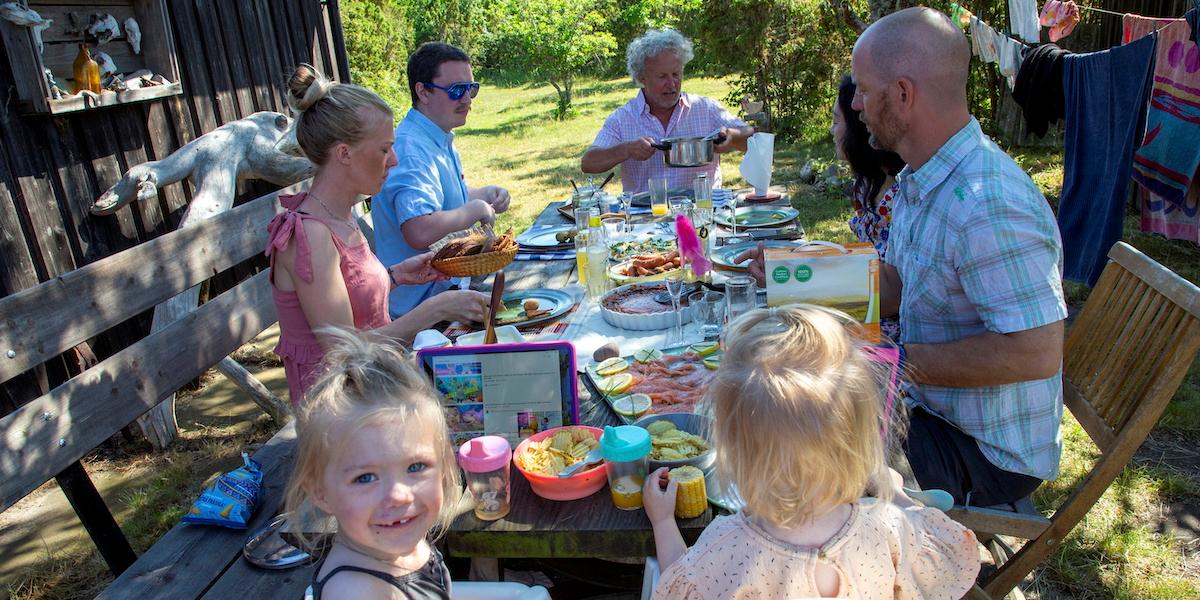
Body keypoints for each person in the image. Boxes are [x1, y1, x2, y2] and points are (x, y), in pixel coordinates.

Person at [740, 8, 1067, 506]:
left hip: (982, 450)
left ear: (903, 94)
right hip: (930, 408)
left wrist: (884, 364)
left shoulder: (990, 202)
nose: (856, 102)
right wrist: (793, 278)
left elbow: (1035, 352)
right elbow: (899, 283)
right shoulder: (925, 175)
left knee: (786, 450)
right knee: (769, 405)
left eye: (865, 90)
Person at [643, 305, 979, 599]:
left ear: (732, 452)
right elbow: (947, 552)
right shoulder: (887, 527)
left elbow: (676, 586)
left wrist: (662, 521)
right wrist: (895, 494)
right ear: (860, 446)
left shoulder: (726, 546)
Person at [266, 64, 487, 405]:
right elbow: (345, 354)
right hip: (339, 415)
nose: (395, 160)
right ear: (345, 154)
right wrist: (436, 308)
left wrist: (395, 276)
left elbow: (346, 294)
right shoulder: (309, 235)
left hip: (375, 386)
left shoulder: (336, 216)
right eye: (384, 149)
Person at [285, 329, 462, 599]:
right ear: (320, 492)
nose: (398, 496)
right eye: (365, 477)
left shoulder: (396, 540)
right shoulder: (356, 591)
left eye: (416, 467)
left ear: (445, 466)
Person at [375, 42, 511, 317]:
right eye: (456, 90)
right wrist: (473, 210)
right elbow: (418, 230)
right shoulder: (412, 148)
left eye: (471, 89)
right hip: (419, 310)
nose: (467, 99)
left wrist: (481, 195)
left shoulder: (434, 135)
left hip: (443, 290)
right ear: (422, 91)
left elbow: (437, 199)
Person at [579, 29, 755, 193]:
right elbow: (589, 163)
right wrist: (627, 150)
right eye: (662, 76)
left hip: (702, 211)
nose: (671, 84)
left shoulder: (704, 108)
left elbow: (753, 138)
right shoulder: (623, 118)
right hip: (646, 218)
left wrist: (732, 137)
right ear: (642, 78)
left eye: (676, 74)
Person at [832, 73, 906, 341]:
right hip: (867, 311)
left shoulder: (900, 194)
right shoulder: (867, 186)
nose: (832, 131)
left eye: (836, 121)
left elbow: (891, 297)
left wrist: (800, 286)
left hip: (891, 336)